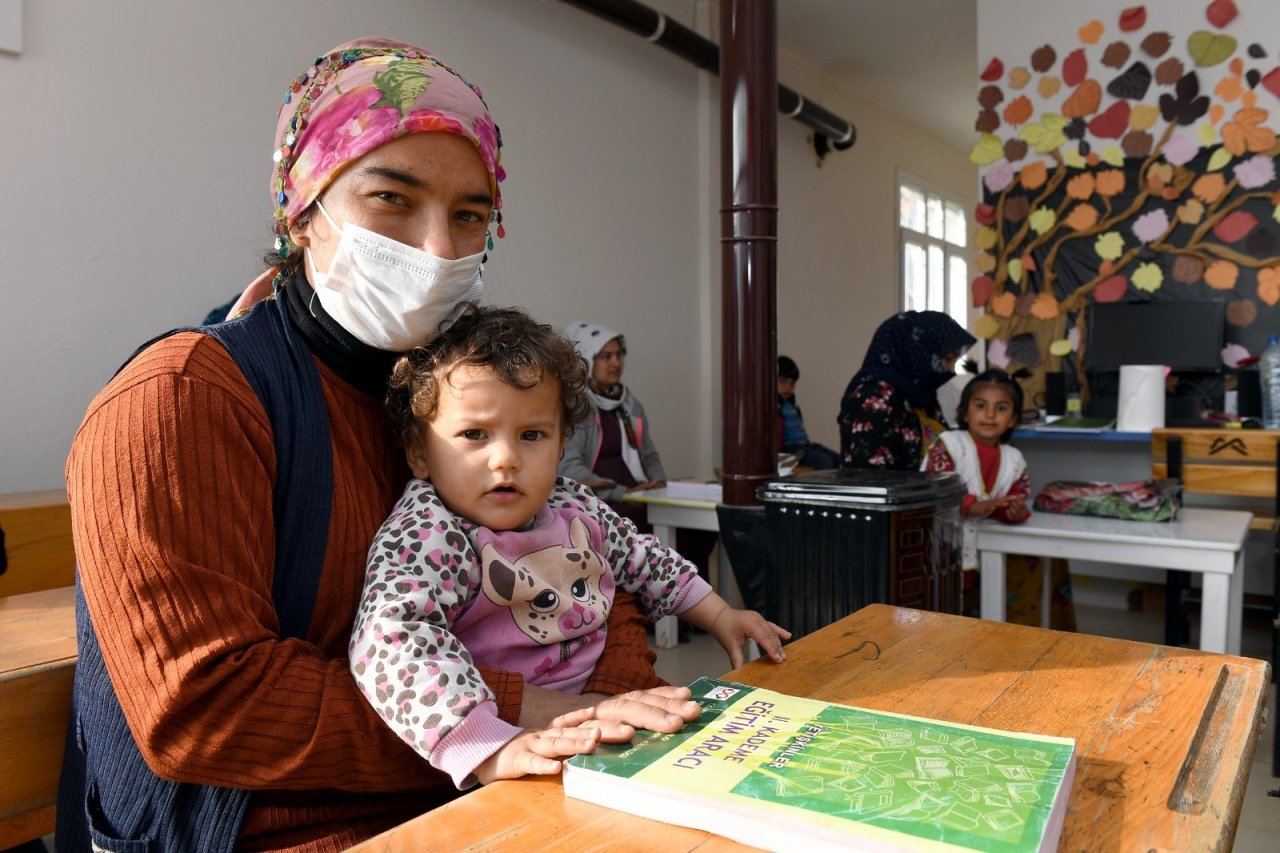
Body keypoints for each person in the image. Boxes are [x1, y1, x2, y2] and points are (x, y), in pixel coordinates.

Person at [59, 38, 700, 852]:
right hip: (285, 827)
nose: (438, 248)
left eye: (469, 215)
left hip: (491, 785)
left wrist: (611, 704)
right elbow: (205, 706)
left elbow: (589, 563)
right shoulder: (183, 398)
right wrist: (519, 708)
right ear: (303, 210)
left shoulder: (460, 392)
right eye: (392, 198)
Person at [351, 304, 790, 789]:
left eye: (532, 435)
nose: (506, 459)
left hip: (616, 716)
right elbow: (392, 640)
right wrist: (486, 746)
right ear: (418, 451)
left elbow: (645, 558)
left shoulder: (573, 505)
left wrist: (720, 614)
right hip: (508, 749)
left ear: (562, 446)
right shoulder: (431, 533)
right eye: (474, 434)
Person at [558, 321, 718, 588]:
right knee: (639, 522)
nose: (616, 363)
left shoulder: (629, 403)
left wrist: (659, 488)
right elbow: (570, 469)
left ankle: (689, 613)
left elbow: (650, 455)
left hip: (639, 494)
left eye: (619, 355)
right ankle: (661, 618)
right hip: (604, 500)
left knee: (694, 529)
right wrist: (625, 493)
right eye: (605, 356)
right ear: (585, 360)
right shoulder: (577, 405)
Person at [921, 369, 1076, 630]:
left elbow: (1018, 496)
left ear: (1013, 419)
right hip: (944, 549)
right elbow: (933, 489)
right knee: (946, 621)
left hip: (987, 547)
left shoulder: (1014, 459)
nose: (990, 415)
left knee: (986, 617)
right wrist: (971, 505)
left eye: (1001, 408)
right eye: (981, 405)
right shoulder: (947, 444)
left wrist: (1014, 512)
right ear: (965, 412)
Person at [838, 310, 976, 470]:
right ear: (918, 351)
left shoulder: (920, 394)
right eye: (947, 359)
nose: (951, 370)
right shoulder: (873, 397)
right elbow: (871, 482)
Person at [777, 355, 839, 470]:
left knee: (838, 459)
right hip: (790, 448)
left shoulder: (793, 405)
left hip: (804, 445)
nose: (788, 387)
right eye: (782, 382)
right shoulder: (775, 406)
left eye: (792, 383)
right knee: (824, 461)